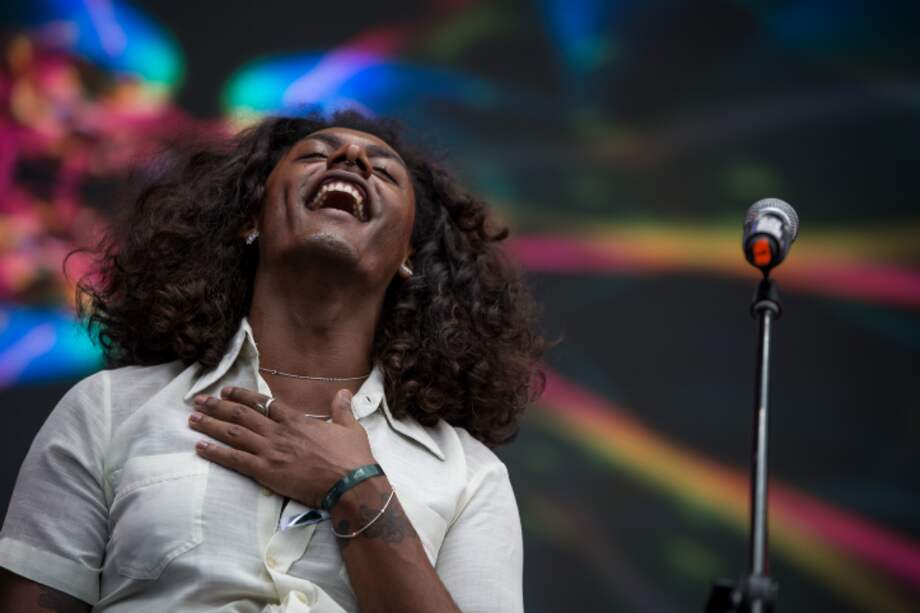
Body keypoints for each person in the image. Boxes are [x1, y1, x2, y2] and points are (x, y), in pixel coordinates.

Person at [0, 111, 546, 612]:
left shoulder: (470, 476)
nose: (351, 160)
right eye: (314, 155)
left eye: (384, 170)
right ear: (250, 221)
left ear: (408, 255)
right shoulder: (108, 410)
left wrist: (354, 487)